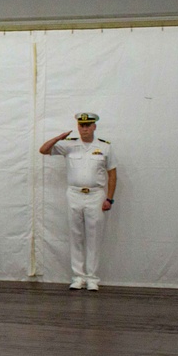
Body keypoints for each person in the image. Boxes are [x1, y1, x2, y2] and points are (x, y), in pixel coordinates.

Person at [39, 112, 117, 291]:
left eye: (88, 125)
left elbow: (112, 174)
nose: (85, 128)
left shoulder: (105, 147)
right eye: (81, 125)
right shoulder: (69, 145)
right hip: (74, 194)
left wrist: (109, 198)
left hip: (96, 195)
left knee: (94, 236)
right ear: (78, 126)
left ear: (94, 126)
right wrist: (59, 137)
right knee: (76, 236)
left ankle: (92, 278)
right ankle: (78, 277)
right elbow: (43, 150)